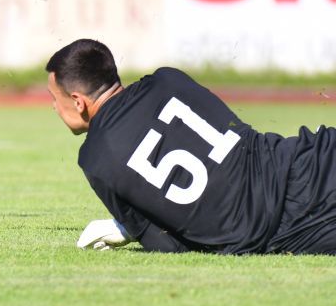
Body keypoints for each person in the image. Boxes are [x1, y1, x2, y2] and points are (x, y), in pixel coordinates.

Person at [46, 38, 336, 255]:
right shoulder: (168, 80)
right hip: (312, 160)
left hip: (294, 230)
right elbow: (234, 131)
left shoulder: (96, 160)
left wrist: (129, 228)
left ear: (77, 101)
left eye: (54, 98)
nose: (54, 108)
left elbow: (166, 243)